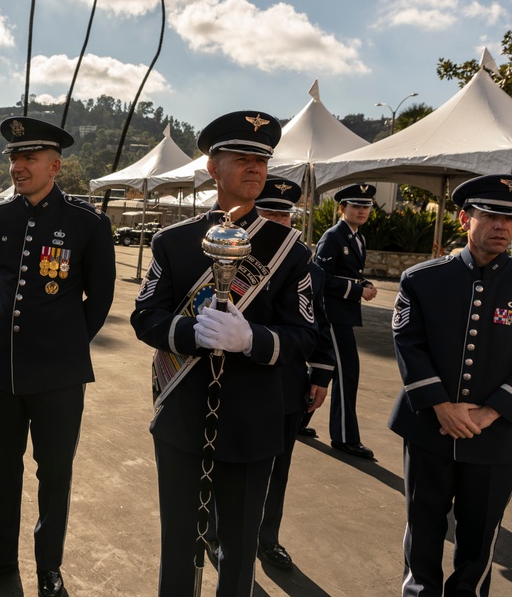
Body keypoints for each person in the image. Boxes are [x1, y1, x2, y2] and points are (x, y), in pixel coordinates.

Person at [131, 111, 316, 596]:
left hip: (253, 419)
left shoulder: (290, 251)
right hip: (183, 413)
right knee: (178, 547)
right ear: (213, 168)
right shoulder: (173, 242)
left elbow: (303, 336)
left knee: (237, 555)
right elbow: (145, 317)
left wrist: (251, 339)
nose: (255, 168)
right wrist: (193, 333)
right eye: (241, 158)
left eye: (262, 159)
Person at [0, 116, 115, 597]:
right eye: (13, 157)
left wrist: (63, 342)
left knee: (55, 471)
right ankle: (1, 554)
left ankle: (49, 564)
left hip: (60, 375)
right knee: (0, 467)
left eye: (29, 158)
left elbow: (101, 298)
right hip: (0, 368)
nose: (18, 166)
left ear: (55, 165)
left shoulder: (87, 224)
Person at [389, 174, 512, 597]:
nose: (502, 226)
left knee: (479, 540)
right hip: (429, 427)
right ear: (464, 218)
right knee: (423, 527)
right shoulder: (421, 280)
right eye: (492, 215)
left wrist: (489, 411)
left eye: (511, 218)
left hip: (497, 435)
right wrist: (442, 405)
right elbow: (409, 343)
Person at [247, 177, 334, 570]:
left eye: (284, 214)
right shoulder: (233, 260)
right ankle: (215, 532)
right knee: (226, 466)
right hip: (239, 383)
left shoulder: (303, 262)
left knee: (277, 468)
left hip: (285, 385)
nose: (279, 221)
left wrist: (321, 374)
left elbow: (319, 321)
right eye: (269, 213)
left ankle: (268, 538)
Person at [314, 183, 378, 459]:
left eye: (366, 207)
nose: (362, 211)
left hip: (345, 315)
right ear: (342, 208)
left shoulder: (356, 238)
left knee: (327, 370)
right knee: (346, 373)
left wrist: (364, 283)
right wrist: (356, 290)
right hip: (332, 315)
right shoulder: (333, 237)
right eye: (356, 206)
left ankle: (296, 420)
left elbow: (349, 273)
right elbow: (321, 279)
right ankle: (344, 437)